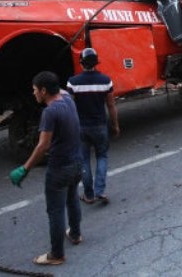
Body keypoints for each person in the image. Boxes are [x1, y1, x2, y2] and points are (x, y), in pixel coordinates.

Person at [9, 71, 83, 266]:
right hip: (77, 163)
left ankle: (56, 255)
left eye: (35, 90)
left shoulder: (49, 112)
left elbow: (43, 146)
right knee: (72, 199)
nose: (33, 93)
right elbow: (60, 89)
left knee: (55, 211)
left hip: (59, 168)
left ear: (43, 91)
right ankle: (75, 234)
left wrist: (24, 169)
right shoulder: (67, 99)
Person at [67, 48, 118, 205]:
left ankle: (88, 195)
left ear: (81, 63)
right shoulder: (106, 81)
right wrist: (115, 125)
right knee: (102, 156)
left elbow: (69, 108)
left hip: (81, 127)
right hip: (100, 126)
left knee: (84, 160)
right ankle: (100, 191)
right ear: (96, 63)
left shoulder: (72, 82)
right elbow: (111, 105)